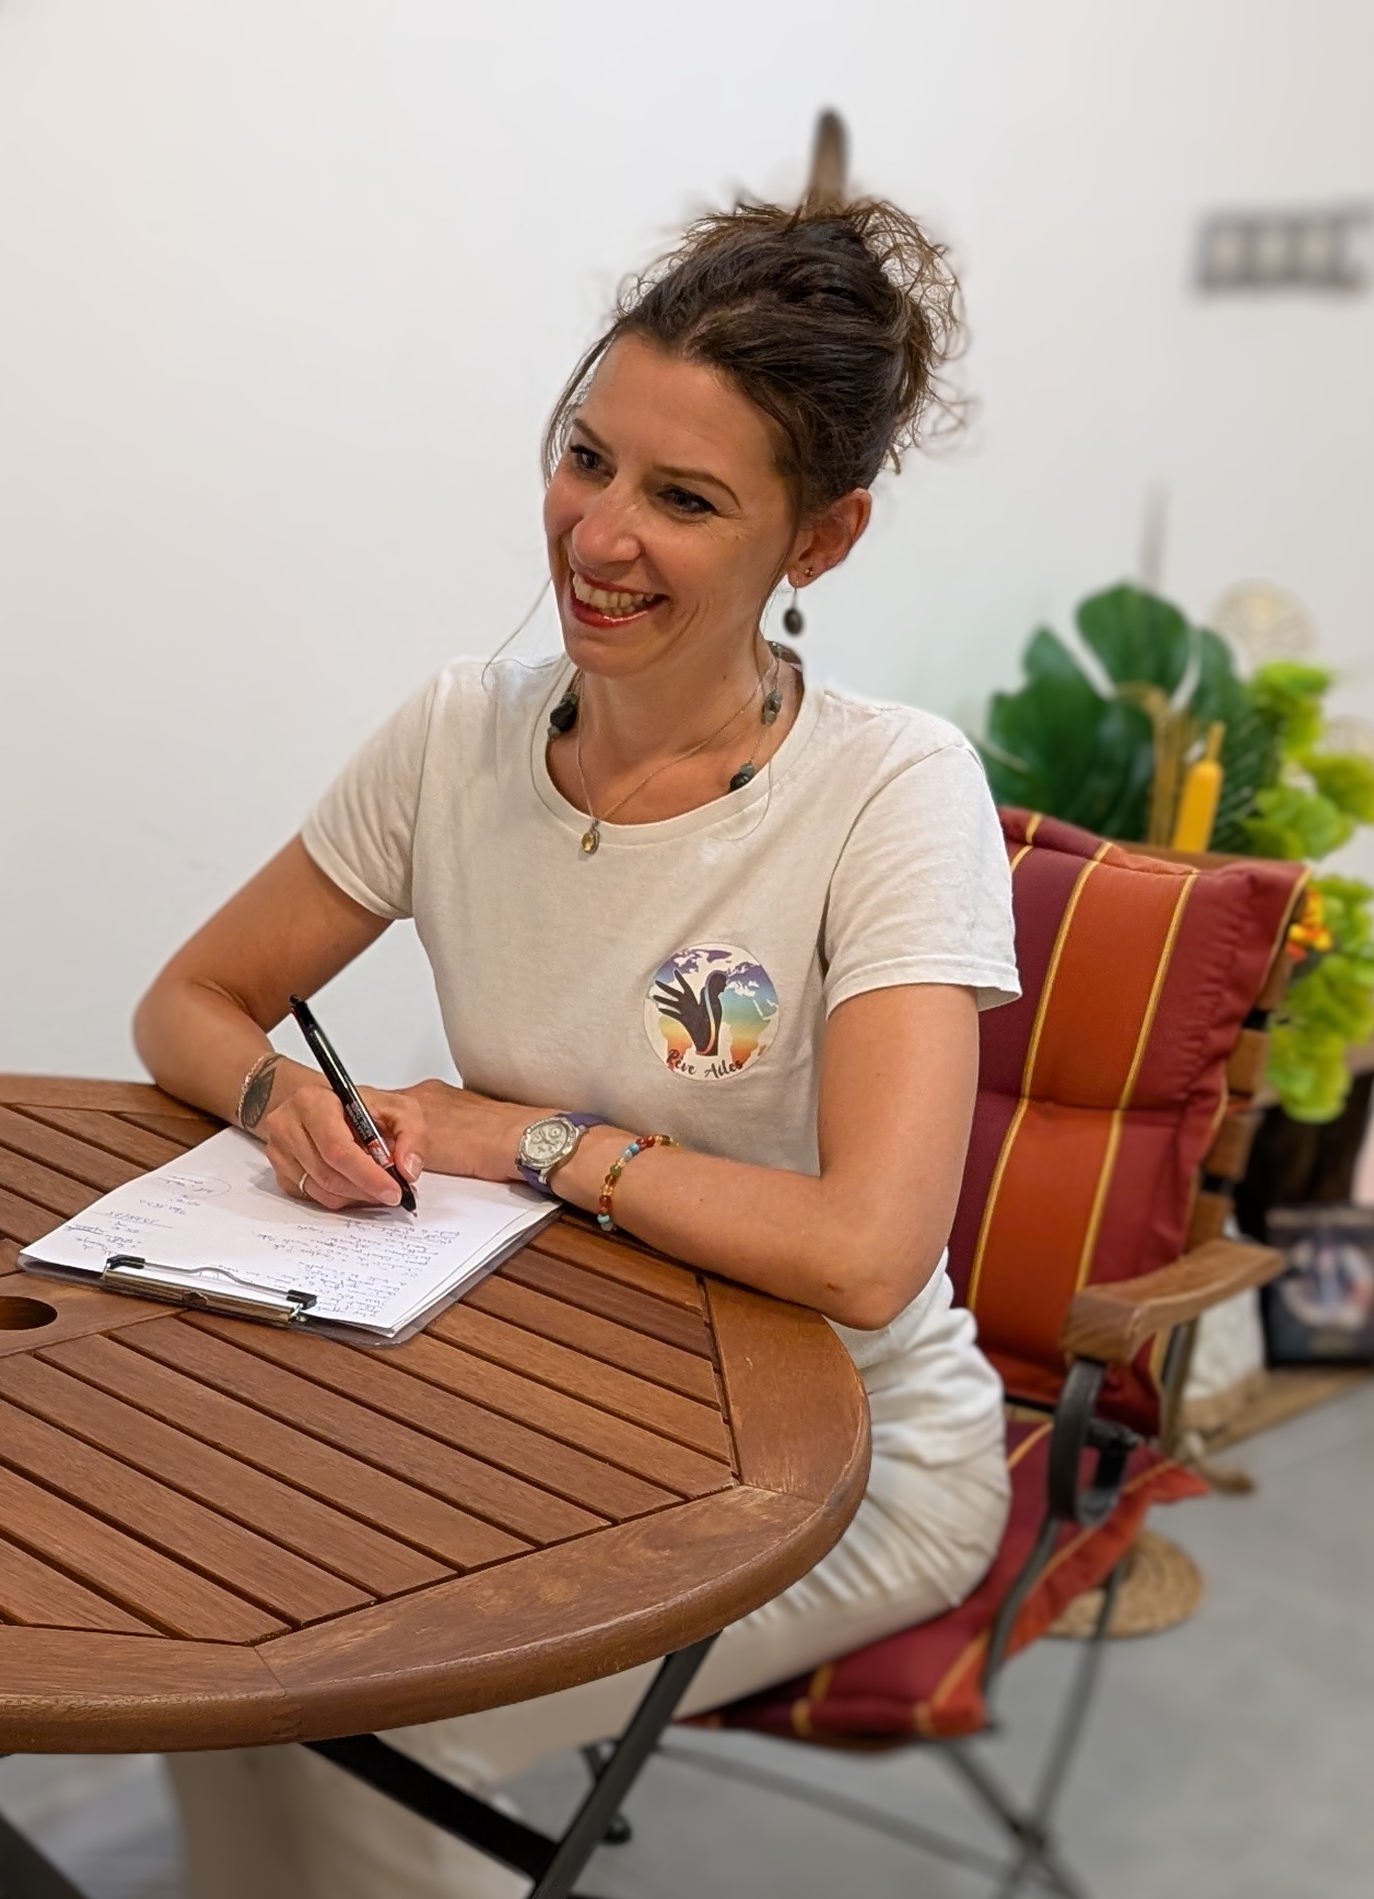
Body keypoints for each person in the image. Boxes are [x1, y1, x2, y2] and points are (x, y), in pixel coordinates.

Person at [132, 181, 1015, 1899]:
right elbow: (188, 1002)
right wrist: (280, 1096)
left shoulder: (892, 792)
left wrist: (530, 1143)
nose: (598, 536)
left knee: (375, 1728)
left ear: (820, 540)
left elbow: (868, 1252)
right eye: (587, 459)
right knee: (215, 1628)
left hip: (840, 1459)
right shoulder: (457, 734)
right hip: (536, 1402)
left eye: (683, 498)